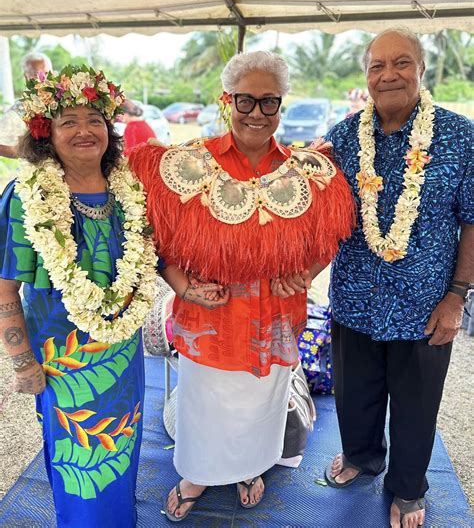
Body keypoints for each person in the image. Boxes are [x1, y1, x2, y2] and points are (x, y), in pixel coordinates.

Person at [128, 51, 355, 521]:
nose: (256, 113)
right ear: (226, 100)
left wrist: (306, 273)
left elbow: (329, 233)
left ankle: (251, 467)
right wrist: (180, 284)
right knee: (205, 401)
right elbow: (148, 234)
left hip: (274, 316)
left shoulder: (308, 173)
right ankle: (197, 474)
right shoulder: (183, 166)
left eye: (268, 102)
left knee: (262, 401)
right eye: (245, 100)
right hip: (209, 318)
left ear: (280, 105)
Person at [324, 28, 473, 528]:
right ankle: (362, 456)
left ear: (422, 70)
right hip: (353, 299)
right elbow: (315, 213)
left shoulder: (459, 135)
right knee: (355, 394)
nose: (389, 74)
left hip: (425, 303)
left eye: (402, 63)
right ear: (365, 76)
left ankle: (408, 487)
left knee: (416, 405)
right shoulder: (343, 137)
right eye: (377, 66)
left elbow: (473, 219)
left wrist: (457, 297)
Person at [0, 65, 161, 527]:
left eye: (94, 119)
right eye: (67, 121)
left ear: (109, 130)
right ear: (45, 133)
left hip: (123, 351)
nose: (84, 130)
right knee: (80, 461)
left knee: (122, 444)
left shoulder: (129, 191)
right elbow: (5, 285)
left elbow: (155, 252)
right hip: (62, 359)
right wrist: (21, 361)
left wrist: (192, 289)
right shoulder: (25, 195)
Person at [0, 52, 52, 158]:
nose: (42, 79)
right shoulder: (19, 110)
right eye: (35, 74)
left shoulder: (65, 98)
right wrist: (30, 154)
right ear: (26, 76)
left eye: (46, 73)